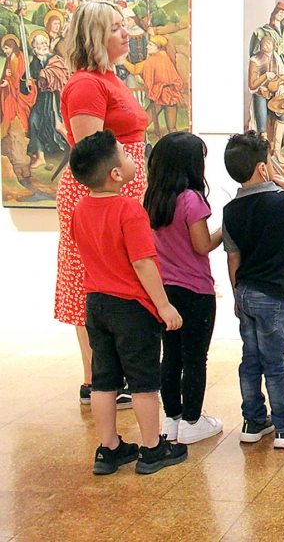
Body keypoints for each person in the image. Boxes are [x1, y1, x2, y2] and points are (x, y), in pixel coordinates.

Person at [68, 130, 187, 475]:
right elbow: (143, 263)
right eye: (124, 153)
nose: (131, 156)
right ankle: (152, 448)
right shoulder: (129, 210)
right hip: (132, 309)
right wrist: (163, 306)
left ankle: (109, 449)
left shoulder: (80, 210)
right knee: (144, 382)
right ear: (115, 174)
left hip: (96, 305)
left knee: (103, 381)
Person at [57, 2, 150, 406]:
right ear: (96, 38)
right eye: (116, 28)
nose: (126, 33)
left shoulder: (110, 78)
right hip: (99, 198)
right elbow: (92, 157)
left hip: (122, 195)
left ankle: (107, 376)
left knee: (118, 281)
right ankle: (96, 377)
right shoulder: (84, 85)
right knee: (95, 282)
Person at [222, 131, 284, 448]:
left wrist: (236, 295)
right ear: (264, 168)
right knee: (274, 363)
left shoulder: (230, 211)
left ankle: (253, 420)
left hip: (246, 292)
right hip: (275, 295)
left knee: (250, 359)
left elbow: (232, 257)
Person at [144, 132, 224, 445]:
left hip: (165, 290)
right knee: (194, 358)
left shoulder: (153, 198)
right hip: (195, 292)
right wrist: (225, 228)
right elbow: (202, 244)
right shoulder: (191, 199)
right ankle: (193, 419)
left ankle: (172, 418)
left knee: (171, 356)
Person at [123, 35, 183, 139]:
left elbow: (135, 69)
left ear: (157, 47)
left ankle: (142, 151)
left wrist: (122, 61)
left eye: (150, 44)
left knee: (142, 125)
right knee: (172, 128)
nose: (147, 47)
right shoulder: (165, 57)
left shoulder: (152, 60)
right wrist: (143, 81)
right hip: (172, 95)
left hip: (160, 95)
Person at [0, 34, 37, 197]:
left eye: (6, 48)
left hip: (18, 98)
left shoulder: (19, 57)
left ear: (12, 46)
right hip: (11, 96)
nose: (5, 51)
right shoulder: (10, 59)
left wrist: (10, 81)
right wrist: (6, 78)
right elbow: (9, 76)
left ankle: (23, 169)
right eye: (3, 49)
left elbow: (20, 79)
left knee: (19, 126)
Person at [26, 31, 69, 169]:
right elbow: (26, 83)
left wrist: (46, 74)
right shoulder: (33, 63)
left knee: (59, 125)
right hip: (41, 99)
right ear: (34, 47)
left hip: (55, 98)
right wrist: (26, 83)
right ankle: (40, 157)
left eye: (45, 43)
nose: (44, 46)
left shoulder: (54, 58)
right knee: (34, 121)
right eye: (40, 44)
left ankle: (77, 152)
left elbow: (63, 73)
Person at [248, 33, 284, 159]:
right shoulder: (255, 60)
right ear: (260, 45)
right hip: (260, 92)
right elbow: (252, 85)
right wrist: (265, 76)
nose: (267, 46)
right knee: (261, 123)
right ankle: (264, 153)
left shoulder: (277, 58)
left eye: (269, 43)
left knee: (282, 115)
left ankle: (277, 151)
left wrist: (283, 86)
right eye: (264, 43)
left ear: (273, 45)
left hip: (276, 92)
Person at [249, 3, 284, 87]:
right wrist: (274, 50)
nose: (282, 15)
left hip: (283, 63)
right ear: (275, 12)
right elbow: (258, 50)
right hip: (269, 62)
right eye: (280, 12)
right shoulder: (264, 30)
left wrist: (283, 52)